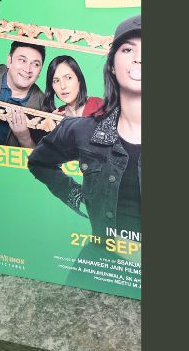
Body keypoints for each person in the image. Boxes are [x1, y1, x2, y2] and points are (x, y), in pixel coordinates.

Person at [27, 16, 141, 277]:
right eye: (127, 49)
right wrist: (75, 195)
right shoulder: (81, 129)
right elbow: (38, 161)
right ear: (112, 66)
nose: (138, 58)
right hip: (98, 266)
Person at [0, 41, 46, 148]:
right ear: (9, 61)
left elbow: (41, 157)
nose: (27, 69)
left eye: (35, 64)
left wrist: (25, 138)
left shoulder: (45, 107)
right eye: (22, 60)